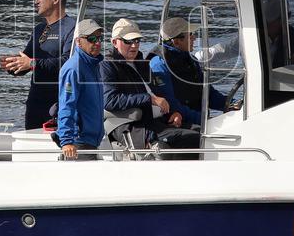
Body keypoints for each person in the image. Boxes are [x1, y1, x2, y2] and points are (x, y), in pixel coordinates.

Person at [101, 18, 201, 158]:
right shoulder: (107, 66)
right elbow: (109, 100)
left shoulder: (142, 63)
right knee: (192, 139)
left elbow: (157, 93)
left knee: (199, 132)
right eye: (128, 41)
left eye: (137, 40)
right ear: (114, 42)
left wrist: (173, 113)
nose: (134, 46)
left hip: (155, 121)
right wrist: (149, 99)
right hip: (133, 125)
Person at [0, 0, 76, 129]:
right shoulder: (39, 29)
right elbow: (27, 60)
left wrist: (33, 64)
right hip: (35, 104)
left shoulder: (72, 27)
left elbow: (68, 62)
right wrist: (13, 63)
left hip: (59, 104)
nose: (36, 1)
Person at [148, 17, 226, 128]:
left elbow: (208, 93)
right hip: (180, 121)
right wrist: (206, 120)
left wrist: (230, 103)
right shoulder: (159, 64)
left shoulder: (191, 60)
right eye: (190, 35)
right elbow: (170, 102)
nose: (194, 38)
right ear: (176, 41)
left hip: (200, 120)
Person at [56, 19, 105, 160]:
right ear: (78, 42)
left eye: (99, 38)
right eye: (91, 38)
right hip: (78, 144)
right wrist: (67, 142)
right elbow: (66, 106)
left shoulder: (93, 65)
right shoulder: (73, 69)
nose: (97, 43)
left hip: (91, 142)